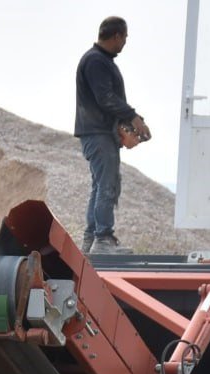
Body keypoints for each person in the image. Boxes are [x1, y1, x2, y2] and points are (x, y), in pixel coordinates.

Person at [75, 16, 150, 255]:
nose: (125, 43)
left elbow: (105, 99)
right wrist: (133, 116)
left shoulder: (98, 60)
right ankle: (103, 240)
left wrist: (127, 121)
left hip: (97, 132)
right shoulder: (96, 61)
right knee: (107, 186)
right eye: (125, 37)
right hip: (97, 133)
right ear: (116, 35)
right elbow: (105, 98)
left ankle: (92, 240)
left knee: (100, 186)